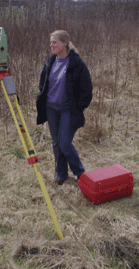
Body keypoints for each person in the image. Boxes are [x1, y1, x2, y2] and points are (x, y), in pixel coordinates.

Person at [36, 30, 93, 185]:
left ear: (64, 44)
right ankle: (61, 175)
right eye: (51, 42)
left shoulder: (77, 64)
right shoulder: (50, 61)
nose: (51, 45)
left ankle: (80, 173)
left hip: (68, 110)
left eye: (54, 42)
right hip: (51, 109)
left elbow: (87, 90)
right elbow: (43, 82)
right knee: (56, 143)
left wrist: (78, 107)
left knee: (65, 144)